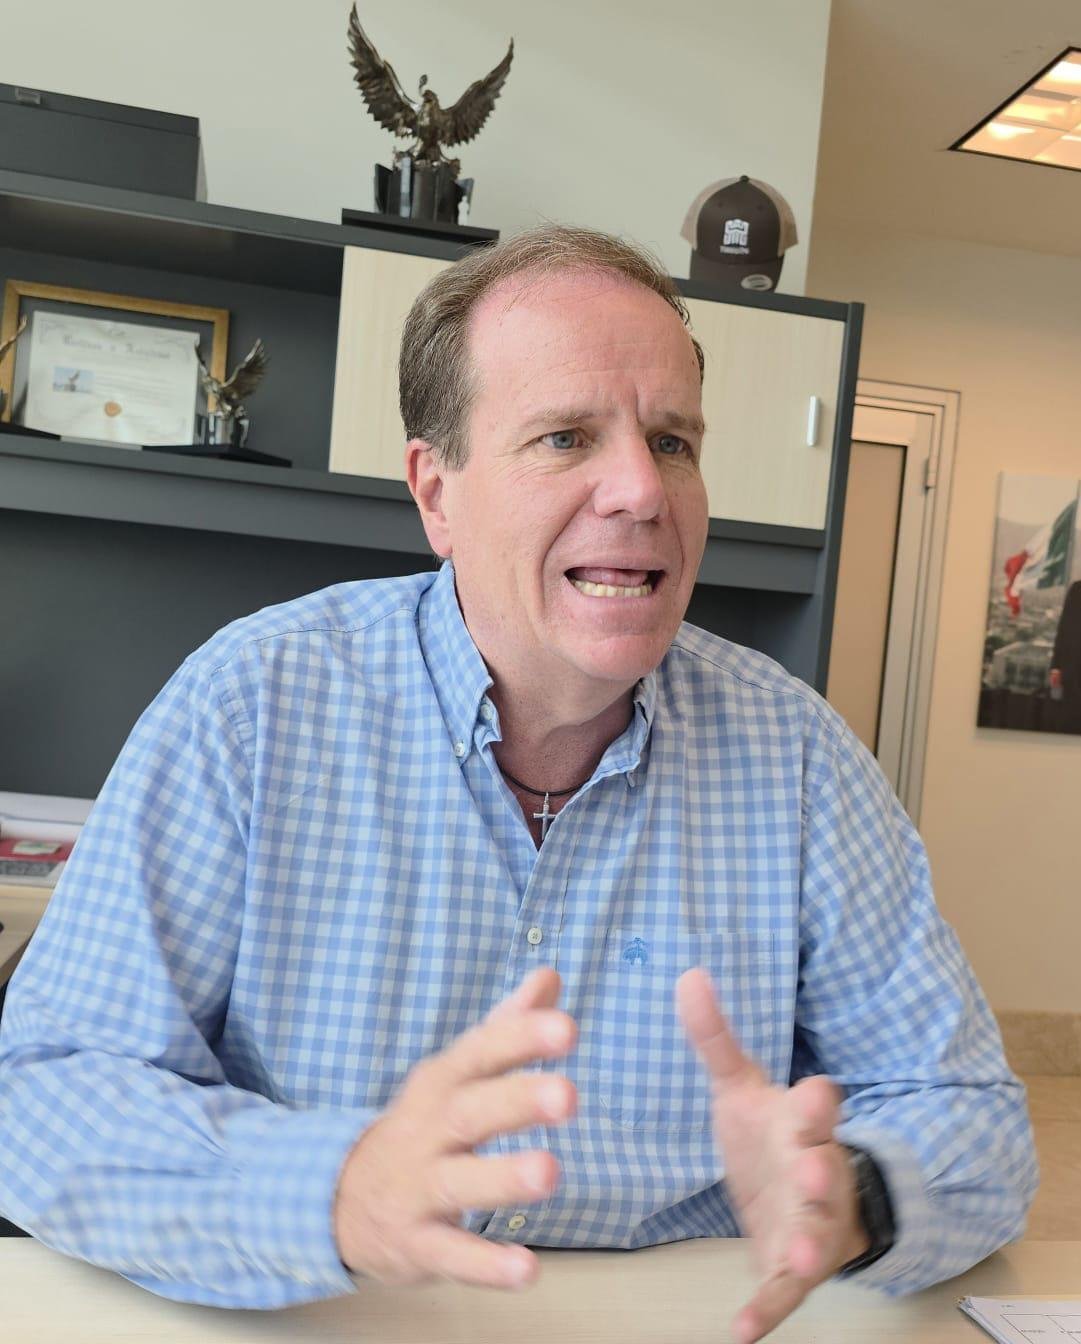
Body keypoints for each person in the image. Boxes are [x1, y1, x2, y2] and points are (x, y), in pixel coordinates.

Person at [0, 226, 1035, 1344]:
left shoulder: (798, 758)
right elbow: (45, 1093)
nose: (640, 489)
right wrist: (332, 1190)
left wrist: (855, 1196)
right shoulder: (252, 705)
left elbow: (969, 1118)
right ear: (436, 493)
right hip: (334, 1317)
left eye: (673, 442)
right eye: (564, 437)